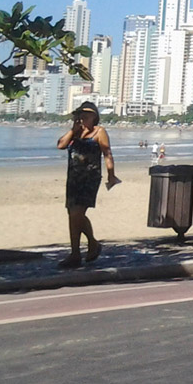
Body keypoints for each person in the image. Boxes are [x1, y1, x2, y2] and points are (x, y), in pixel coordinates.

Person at [56, 101, 121, 268]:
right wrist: (73, 130)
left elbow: (107, 153)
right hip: (73, 178)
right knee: (73, 215)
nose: (83, 117)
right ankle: (84, 248)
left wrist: (111, 175)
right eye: (80, 114)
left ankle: (80, 251)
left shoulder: (100, 132)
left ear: (95, 116)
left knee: (76, 214)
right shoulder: (75, 133)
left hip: (90, 178)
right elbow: (60, 145)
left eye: (87, 114)